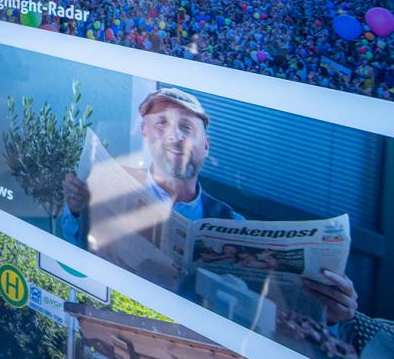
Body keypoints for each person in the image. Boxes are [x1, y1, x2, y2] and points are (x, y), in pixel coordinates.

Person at [60, 88, 358, 324]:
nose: (174, 136)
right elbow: (67, 257)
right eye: (161, 123)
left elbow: (271, 313)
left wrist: (329, 315)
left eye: (186, 127)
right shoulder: (109, 186)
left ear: (207, 145)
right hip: (114, 330)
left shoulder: (234, 224)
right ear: (147, 135)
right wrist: (75, 210)